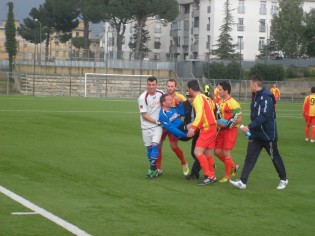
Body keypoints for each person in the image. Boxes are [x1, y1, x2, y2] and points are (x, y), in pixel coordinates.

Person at [229, 75, 288, 190]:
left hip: (268, 135)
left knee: (274, 157)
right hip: (256, 135)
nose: (249, 86)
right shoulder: (255, 96)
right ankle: (242, 181)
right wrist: (251, 129)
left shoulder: (266, 97)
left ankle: (284, 179)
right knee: (250, 157)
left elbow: (264, 116)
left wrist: (249, 127)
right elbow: (255, 115)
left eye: (250, 84)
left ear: (255, 85)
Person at [187, 80, 217, 185]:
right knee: (207, 153)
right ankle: (212, 175)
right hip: (213, 127)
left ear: (190, 89)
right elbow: (213, 107)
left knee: (197, 152)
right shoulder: (206, 97)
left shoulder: (197, 99)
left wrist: (193, 127)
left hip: (207, 128)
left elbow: (199, 115)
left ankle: (209, 176)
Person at [156, 79, 189, 176]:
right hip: (163, 125)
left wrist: (179, 105)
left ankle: (184, 162)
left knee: (174, 147)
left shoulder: (180, 97)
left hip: (174, 125)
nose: (170, 88)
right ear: (166, 86)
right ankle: (158, 168)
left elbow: (186, 107)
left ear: (175, 87)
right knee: (158, 146)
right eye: (168, 86)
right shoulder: (163, 96)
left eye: (172, 86)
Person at [214, 81, 241, 183]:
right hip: (222, 130)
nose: (218, 91)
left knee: (226, 152)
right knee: (216, 152)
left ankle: (227, 175)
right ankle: (233, 166)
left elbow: (239, 119)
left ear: (226, 91)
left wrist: (227, 124)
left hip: (230, 130)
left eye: (220, 89)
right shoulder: (220, 102)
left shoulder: (233, 103)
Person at [138, 76, 164, 178]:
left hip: (158, 126)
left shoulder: (161, 93)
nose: (151, 87)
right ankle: (154, 168)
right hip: (146, 126)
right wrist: (156, 121)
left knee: (155, 145)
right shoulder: (142, 98)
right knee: (149, 148)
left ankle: (152, 169)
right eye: (149, 84)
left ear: (156, 85)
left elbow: (166, 103)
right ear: (147, 85)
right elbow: (144, 115)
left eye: (153, 85)